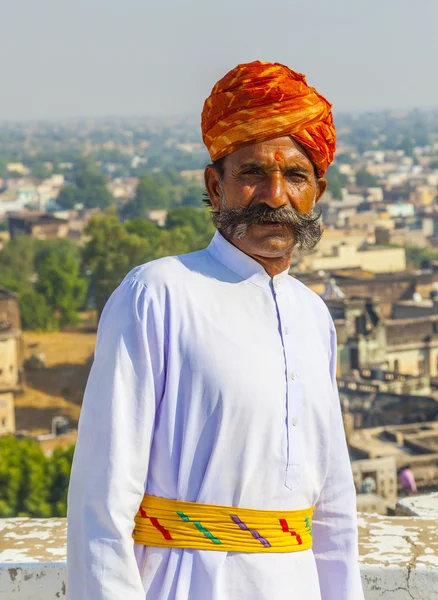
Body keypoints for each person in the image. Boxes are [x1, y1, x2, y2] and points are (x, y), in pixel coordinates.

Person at [67, 61, 364, 600]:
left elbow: (333, 511)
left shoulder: (312, 315)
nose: (275, 194)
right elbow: (100, 503)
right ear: (215, 184)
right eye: (252, 172)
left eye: (295, 175)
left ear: (316, 191)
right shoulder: (157, 293)